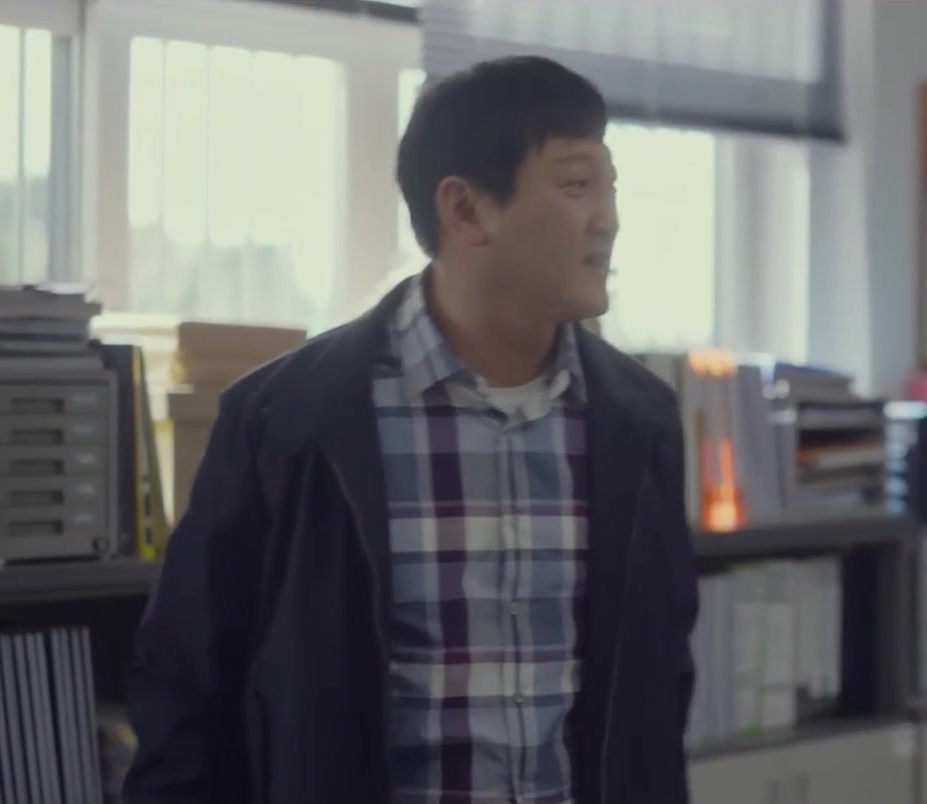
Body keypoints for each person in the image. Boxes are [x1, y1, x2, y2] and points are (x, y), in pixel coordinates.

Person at [123, 56, 698, 804]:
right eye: (576, 185)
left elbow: (657, 694)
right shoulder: (285, 420)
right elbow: (186, 692)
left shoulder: (641, 422)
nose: (607, 219)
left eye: (610, 188)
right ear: (465, 211)